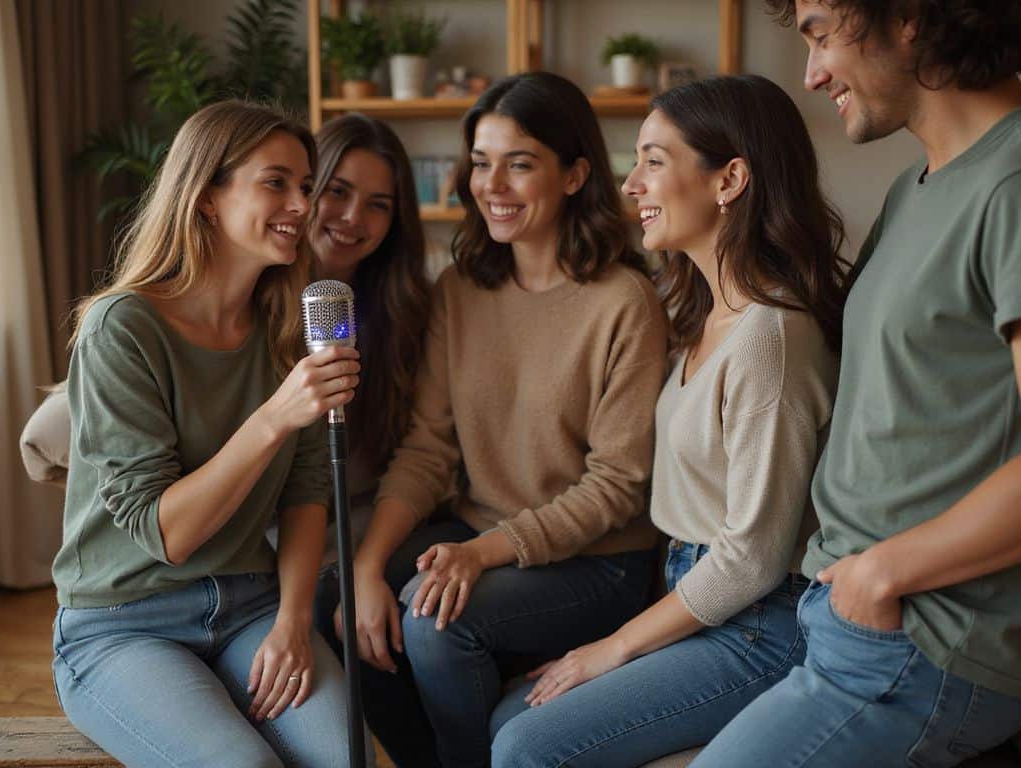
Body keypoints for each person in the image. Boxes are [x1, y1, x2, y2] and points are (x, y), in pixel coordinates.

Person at [691, 2, 1021, 766]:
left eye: (823, 32)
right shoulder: (918, 186)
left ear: (909, 17)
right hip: (843, 612)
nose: (812, 70)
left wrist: (881, 573)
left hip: (922, 641)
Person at [488, 73, 849, 767]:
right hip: (694, 589)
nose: (630, 185)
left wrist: (612, 648)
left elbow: (753, 559)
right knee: (510, 710)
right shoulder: (701, 310)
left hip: (759, 623)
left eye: (654, 161)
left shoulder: (770, 338)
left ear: (729, 179)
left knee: (527, 749)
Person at [325, 71, 669, 768]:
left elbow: (618, 485)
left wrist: (481, 554)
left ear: (575, 175)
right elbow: (427, 449)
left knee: (432, 618)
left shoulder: (625, 301)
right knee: (334, 595)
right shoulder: (460, 290)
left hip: (600, 561)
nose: (493, 186)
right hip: (479, 531)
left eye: (520, 164)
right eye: (481, 164)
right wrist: (364, 567)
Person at [50, 100, 369, 768]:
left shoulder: (290, 328)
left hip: (251, 609)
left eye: (306, 186)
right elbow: (170, 535)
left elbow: (308, 491)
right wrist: (276, 415)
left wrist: (293, 622)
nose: (302, 203)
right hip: (124, 624)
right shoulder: (124, 329)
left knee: (349, 758)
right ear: (205, 198)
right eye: (275, 181)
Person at [303, 113, 437, 760]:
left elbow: (423, 449)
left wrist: (366, 564)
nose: (354, 217)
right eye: (338, 191)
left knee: (371, 613)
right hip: (288, 534)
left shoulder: (406, 310)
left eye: (378, 205)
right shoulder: (262, 299)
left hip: (374, 522)